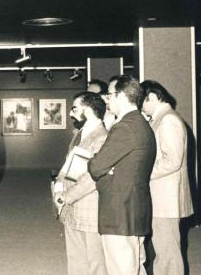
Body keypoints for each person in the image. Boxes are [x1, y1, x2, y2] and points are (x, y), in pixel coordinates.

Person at [87, 75, 156, 275]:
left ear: (122, 96)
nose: (106, 100)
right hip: (134, 207)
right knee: (135, 264)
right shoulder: (141, 123)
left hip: (120, 210)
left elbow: (95, 167)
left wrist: (97, 160)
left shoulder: (124, 127)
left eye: (109, 95)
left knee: (121, 267)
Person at [140, 80, 194, 274]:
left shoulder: (168, 119)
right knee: (164, 250)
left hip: (166, 198)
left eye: (142, 102)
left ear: (153, 97)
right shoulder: (161, 118)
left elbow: (172, 161)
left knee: (168, 252)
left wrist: (142, 173)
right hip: (162, 196)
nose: (141, 108)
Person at [53, 92, 108, 275]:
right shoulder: (81, 133)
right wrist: (59, 185)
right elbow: (68, 164)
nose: (70, 113)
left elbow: (93, 177)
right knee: (76, 257)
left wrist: (66, 197)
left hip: (89, 206)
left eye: (75, 108)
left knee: (95, 260)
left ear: (89, 109)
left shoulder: (102, 137)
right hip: (70, 203)